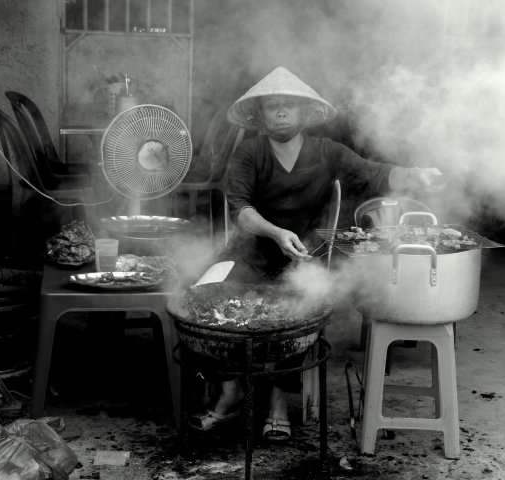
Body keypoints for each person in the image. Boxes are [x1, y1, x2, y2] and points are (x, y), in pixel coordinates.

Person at [188, 66, 442, 440]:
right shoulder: (249, 151)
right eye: (272, 107)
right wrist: (275, 233)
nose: (280, 113)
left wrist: (415, 174)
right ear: (259, 116)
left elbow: (374, 172)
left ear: (305, 114)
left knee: (300, 305)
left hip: (305, 255)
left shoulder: (327, 152)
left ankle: (277, 402)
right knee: (201, 299)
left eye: (288, 106)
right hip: (251, 248)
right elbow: (239, 209)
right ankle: (230, 391)